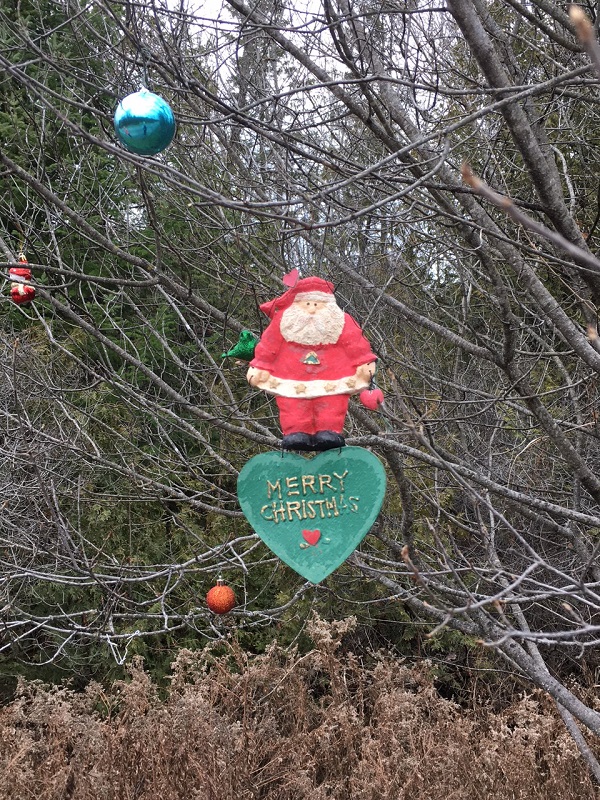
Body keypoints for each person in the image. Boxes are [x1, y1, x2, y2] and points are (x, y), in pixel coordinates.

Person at [247, 276, 377, 451]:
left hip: (333, 376)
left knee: (332, 406)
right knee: (292, 406)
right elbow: (268, 345)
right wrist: (260, 365)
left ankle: (329, 432)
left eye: (318, 304)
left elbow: (356, 343)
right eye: (307, 304)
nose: (312, 309)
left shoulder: (343, 321)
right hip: (290, 377)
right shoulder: (282, 322)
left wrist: (364, 362)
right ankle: (296, 433)